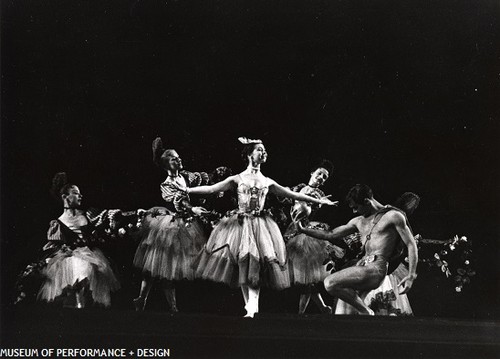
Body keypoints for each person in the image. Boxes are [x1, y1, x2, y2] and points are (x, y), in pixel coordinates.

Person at [180, 137, 337, 318]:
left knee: (255, 264)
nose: (263, 153)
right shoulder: (237, 179)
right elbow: (211, 189)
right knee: (243, 266)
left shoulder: (267, 181)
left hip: (260, 226)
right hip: (239, 225)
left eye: (264, 150)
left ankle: (253, 307)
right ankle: (250, 306)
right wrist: (188, 191)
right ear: (249, 154)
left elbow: (293, 194)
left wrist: (318, 200)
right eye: (259, 150)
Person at [298, 184, 418, 315]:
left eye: (356, 207)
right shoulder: (359, 221)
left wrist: (411, 275)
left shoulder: (393, 216)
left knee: (330, 282)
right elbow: (330, 234)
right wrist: (303, 229)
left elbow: (411, 244)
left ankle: (367, 312)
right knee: (344, 313)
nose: (354, 211)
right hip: (363, 267)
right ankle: (364, 317)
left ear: (367, 201)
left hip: (376, 269)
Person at [132, 137, 211, 312]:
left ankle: (168, 306)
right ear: (167, 164)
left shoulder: (185, 176)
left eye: (178, 157)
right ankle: (144, 299)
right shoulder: (166, 185)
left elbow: (202, 179)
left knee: (168, 268)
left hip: (184, 224)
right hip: (168, 225)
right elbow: (181, 201)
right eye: (174, 159)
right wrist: (194, 209)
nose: (179, 160)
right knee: (156, 265)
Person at [37, 173, 121, 308]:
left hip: (91, 255)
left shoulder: (88, 214)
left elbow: (106, 218)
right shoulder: (58, 223)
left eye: (79, 193)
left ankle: (81, 306)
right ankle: (76, 306)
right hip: (69, 258)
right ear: (65, 197)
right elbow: (53, 246)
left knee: (84, 272)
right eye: (75, 193)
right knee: (76, 268)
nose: (80, 196)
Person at [283, 160, 342, 314]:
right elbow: (289, 197)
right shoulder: (299, 187)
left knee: (307, 277)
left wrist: (323, 202)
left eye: (324, 177)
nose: (321, 178)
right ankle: (323, 308)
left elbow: (314, 204)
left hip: (307, 234)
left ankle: (302, 313)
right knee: (305, 276)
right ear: (312, 173)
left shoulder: (320, 194)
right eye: (319, 174)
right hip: (293, 232)